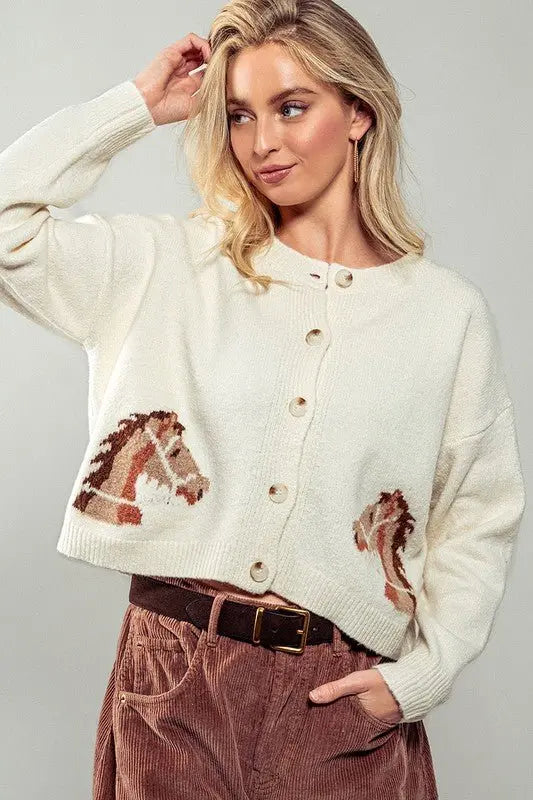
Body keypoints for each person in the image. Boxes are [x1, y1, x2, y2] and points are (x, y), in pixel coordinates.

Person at [0, 1, 525, 798]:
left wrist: (422, 676)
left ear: (358, 112)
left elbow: (477, 516)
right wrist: (136, 107)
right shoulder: (168, 266)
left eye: (291, 107)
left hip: (341, 694)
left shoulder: (444, 316)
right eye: (240, 114)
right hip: (176, 677)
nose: (261, 142)